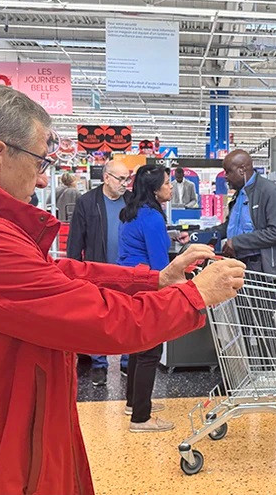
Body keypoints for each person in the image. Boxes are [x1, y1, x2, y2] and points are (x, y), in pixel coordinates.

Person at [0, 83, 247, 494]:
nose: (41, 177)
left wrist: (153, 280)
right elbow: (99, 321)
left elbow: (48, 273)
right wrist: (194, 296)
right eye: (40, 161)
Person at [118, 165, 183, 432]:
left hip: (130, 283)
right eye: (167, 183)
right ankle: (141, 418)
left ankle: (134, 402)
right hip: (147, 285)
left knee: (137, 344)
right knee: (150, 350)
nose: (170, 187)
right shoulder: (153, 218)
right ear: (155, 189)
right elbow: (160, 265)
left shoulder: (132, 212)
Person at [67, 159, 134, 385]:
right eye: (121, 178)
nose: (125, 183)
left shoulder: (131, 201)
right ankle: (99, 364)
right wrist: (73, 270)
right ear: (106, 178)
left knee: (127, 314)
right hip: (98, 269)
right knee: (98, 317)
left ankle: (127, 361)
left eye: (128, 178)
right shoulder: (87, 202)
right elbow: (76, 239)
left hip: (128, 270)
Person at [211, 149, 276, 275]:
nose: (225, 176)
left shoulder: (270, 192)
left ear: (242, 170)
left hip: (261, 268)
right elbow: (230, 226)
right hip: (239, 263)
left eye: (228, 172)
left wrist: (237, 242)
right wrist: (201, 235)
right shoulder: (241, 194)